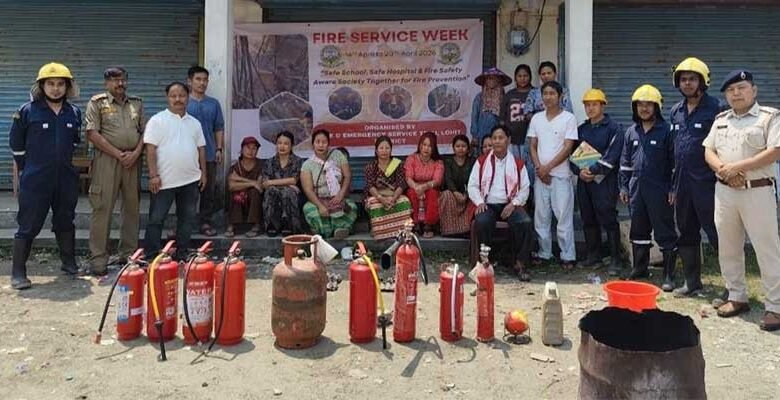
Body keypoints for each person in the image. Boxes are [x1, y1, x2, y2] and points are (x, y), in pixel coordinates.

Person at [703, 70, 780, 331]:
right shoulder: (721, 120)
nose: (736, 93)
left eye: (742, 88)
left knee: (767, 249)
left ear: (753, 91)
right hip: (725, 192)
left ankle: (775, 306)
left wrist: (736, 168)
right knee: (728, 247)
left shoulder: (770, 117)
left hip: (757, 191)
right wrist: (723, 170)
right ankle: (737, 296)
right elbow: (708, 150)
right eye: (731, 90)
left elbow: (774, 151)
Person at [8, 63, 82, 289]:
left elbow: (74, 142)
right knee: (28, 224)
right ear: (41, 86)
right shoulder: (27, 111)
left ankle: (69, 264)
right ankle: (18, 273)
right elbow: (16, 145)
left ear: (67, 87)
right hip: (36, 179)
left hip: (65, 178)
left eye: (60, 84)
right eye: (50, 84)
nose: (56, 89)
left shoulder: (74, 112)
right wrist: (29, 170)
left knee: (65, 221)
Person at [669, 57, 724, 296]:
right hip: (682, 185)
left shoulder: (717, 108)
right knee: (686, 232)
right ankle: (692, 282)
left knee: (718, 233)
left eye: (692, 79)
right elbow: (675, 151)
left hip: (708, 184)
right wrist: (673, 186)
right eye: (683, 79)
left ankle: (732, 288)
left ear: (702, 81)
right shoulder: (676, 111)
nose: (687, 83)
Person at [85, 67, 145, 276]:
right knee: (102, 208)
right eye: (115, 80)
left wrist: (135, 154)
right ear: (106, 83)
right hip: (107, 161)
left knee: (132, 209)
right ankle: (98, 259)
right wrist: (118, 154)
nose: (120, 83)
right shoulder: (97, 103)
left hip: (133, 161)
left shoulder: (136, 103)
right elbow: (92, 133)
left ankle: (129, 255)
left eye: (123, 79)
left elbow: (145, 132)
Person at [619, 84, 677, 287]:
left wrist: (673, 188)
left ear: (657, 107)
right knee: (638, 230)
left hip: (660, 189)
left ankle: (669, 276)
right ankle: (640, 269)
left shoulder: (667, 131)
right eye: (640, 105)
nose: (644, 109)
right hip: (636, 189)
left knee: (664, 231)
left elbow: (675, 164)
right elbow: (625, 163)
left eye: (648, 105)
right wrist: (624, 186)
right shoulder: (631, 132)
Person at [143, 82, 207, 259]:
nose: (178, 99)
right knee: (156, 219)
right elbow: (150, 149)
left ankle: (182, 254)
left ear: (188, 97)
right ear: (167, 98)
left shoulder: (194, 123)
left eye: (182, 95)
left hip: (190, 180)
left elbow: (201, 149)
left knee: (187, 220)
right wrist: (153, 175)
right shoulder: (157, 120)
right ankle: (151, 255)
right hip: (164, 181)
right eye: (173, 96)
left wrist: (204, 173)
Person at [468, 125, 534, 281]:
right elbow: (472, 185)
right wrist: (479, 202)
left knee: (525, 222)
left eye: (501, 138)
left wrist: (514, 204)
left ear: (508, 140)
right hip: (488, 204)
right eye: (494, 138)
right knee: (482, 221)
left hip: (510, 204)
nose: (497, 141)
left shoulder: (518, 164)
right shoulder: (481, 162)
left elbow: (525, 189)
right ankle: (485, 262)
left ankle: (520, 263)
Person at [571, 89, 624, 275]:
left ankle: (615, 259)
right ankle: (594, 256)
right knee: (588, 218)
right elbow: (572, 155)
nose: (590, 108)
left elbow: (613, 156)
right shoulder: (581, 129)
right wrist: (579, 172)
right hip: (584, 182)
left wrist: (593, 170)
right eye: (587, 105)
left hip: (605, 182)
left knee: (608, 218)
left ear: (603, 106)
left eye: (594, 104)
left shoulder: (614, 128)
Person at [528, 81, 578, 270]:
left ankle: (568, 255)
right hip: (541, 176)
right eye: (545, 93)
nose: (548, 97)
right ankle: (544, 253)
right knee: (541, 217)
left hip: (561, 176)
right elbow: (533, 146)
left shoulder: (568, 118)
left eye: (552, 93)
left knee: (563, 217)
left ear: (560, 96)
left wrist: (547, 168)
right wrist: (539, 168)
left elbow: (568, 148)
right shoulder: (536, 119)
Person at [186, 66, 225, 237]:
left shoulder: (213, 103)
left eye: (205, 80)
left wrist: (219, 148)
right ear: (190, 81)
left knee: (208, 191)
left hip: (209, 153)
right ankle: (184, 224)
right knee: (187, 191)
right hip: (186, 155)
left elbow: (219, 127)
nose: (202, 83)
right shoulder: (183, 102)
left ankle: (205, 222)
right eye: (198, 79)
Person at [301, 129, 357, 239]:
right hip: (319, 199)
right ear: (313, 144)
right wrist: (320, 206)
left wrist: (340, 194)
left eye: (324, 142)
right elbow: (308, 190)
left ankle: (333, 230)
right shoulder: (307, 165)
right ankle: (333, 229)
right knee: (309, 209)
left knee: (352, 207)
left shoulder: (338, 155)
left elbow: (347, 176)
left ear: (328, 144)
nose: (321, 145)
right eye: (318, 142)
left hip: (337, 198)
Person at [363, 136, 412, 240]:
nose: (384, 151)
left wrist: (394, 198)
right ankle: (379, 231)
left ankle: (400, 231)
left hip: (394, 195)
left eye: (387, 148)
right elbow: (370, 186)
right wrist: (381, 198)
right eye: (381, 148)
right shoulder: (371, 167)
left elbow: (401, 184)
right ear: (376, 150)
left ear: (391, 150)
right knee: (374, 204)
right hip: (377, 195)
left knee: (405, 202)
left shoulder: (398, 164)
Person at [262, 130, 305, 236]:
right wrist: (287, 183)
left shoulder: (297, 161)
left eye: (286, 144)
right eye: (279, 143)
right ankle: (272, 225)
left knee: (287, 191)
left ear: (291, 146)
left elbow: (294, 180)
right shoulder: (269, 162)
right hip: (276, 190)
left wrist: (272, 182)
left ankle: (290, 225)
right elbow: (265, 183)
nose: (282, 146)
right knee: (271, 191)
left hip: (293, 194)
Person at [404, 131, 444, 238]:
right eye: (424, 144)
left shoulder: (438, 162)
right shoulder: (411, 159)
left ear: (434, 148)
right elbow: (408, 178)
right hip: (414, 186)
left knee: (432, 194)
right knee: (411, 193)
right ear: (420, 145)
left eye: (429, 146)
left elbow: (437, 180)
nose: (426, 148)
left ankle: (428, 225)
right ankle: (415, 225)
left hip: (430, 187)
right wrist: (417, 188)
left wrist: (424, 187)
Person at [226, 136, 263, 237]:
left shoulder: (261, 165)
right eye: (248, 147)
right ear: (242, 149)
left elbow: (260, 185)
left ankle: (256, 225)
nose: (251, 151)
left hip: (253, 197)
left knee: (255, 192)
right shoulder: (235, 166)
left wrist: (239, 179)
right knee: (235, 193)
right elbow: (231, 186)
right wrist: (252, 183)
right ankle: (232, 224)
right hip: (241, 196)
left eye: (254, 148)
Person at [501, 64, 535, 174]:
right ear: (515, 78)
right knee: (514, 168)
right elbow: (502, 117)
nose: (522, 79)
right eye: (520, 76)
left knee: (529, 169)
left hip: (531, 139)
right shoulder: (509, 95)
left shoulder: (535, 93)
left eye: (525, 76)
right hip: (512, 139)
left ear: (530, 77)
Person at [439, 134, 475, 236]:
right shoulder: (448, 161)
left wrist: (466, 194)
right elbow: (448, 179)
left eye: (463, 146)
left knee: (474, 197)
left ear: (468, 148)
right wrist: (455, 192)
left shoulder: (472, 161)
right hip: (452, 192)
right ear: (453, 148)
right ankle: (449, 231)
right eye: (458, 146)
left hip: (467, 192)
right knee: (446, 195)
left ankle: (466, 230)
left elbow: (473, 179)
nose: (460, 149)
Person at [471, 68, 511, 157]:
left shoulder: (504, 97)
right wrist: (474, 135)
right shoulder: (479, 97)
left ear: (499, 80)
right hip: (482, 131)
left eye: (494, 78)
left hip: (498, 132)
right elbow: (474, 116)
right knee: (483, 156)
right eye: (489, 78)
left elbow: (507, 116)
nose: (491, 81)